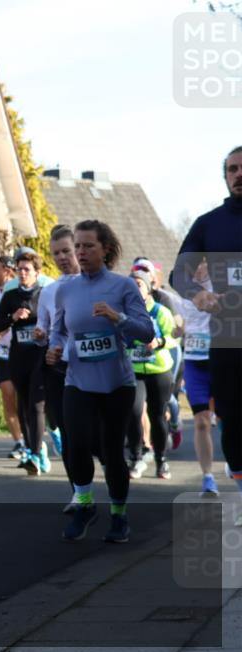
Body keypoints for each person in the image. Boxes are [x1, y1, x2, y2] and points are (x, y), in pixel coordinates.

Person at [48, 219, 153, 543]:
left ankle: (119, 516)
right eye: (77, 245)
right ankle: (84, 504)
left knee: (110, 451)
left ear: (105, 249)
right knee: (76, 443)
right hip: (77, 380)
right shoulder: (65, 288)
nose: (80, 252)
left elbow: (146, 332)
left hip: (116, 384)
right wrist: (54, 347)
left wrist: (116, 317)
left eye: (87, 245)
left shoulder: (123, 287)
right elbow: (59, 328)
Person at [172, 146, 242, 523]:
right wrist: (196, 292)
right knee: (232, 422)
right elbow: (178, 274)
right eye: (232, 169)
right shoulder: (209, 224)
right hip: (228, 339)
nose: (238, 175)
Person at [34, 225, 82, 509]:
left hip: (92, 367)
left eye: (66, 250)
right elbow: (44, 326)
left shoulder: (96, 284)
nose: (62, 257)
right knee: (67, 431)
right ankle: (78, 492)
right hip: (59, 369)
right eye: (56, 254)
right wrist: (41, 336)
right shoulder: (49, 291)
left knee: (92, 436)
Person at [0, 251, 49, 475]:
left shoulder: (45, 294)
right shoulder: (11, 295)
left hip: (40, 356)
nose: (22, 273)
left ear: (37, 272)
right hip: (18, 357)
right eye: (20, 269)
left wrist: (41, 329)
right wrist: (13, 318)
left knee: (37, 404)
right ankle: (33, 447)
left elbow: (56, 321)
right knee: (23, 406)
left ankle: (34, 453)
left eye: (27, 269)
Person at [124, 269, 176, 480]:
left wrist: (159, 342)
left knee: (157, 416)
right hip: (134, 370)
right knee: (134, 413)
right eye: (131, 285)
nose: (135, 288)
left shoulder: (161, 312)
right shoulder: (124, 312)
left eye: (139, 284)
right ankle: (136, 458)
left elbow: (173, 339)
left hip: (159, 370)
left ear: (148, 288)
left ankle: (161, 461)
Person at [179, 260, 218, 496]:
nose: (198, 266)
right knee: (201, 421)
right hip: (194, 362)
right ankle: (208, 476)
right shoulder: (183, 291)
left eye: (203, 260)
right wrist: (177, 330)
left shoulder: (221, 285)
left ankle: (236, 470)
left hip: (219, 362)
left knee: (227, 422)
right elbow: (181, 325)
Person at [0, 256, 25, 458]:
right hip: (3, 352)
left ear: (9, 272)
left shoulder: (19, 291)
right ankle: (18, 442)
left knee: (22, 400)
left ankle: (31, 439)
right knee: (7, 397)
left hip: (21, 351)